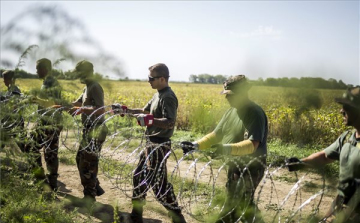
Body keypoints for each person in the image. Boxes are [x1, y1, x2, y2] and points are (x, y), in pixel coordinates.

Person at [181, 75, 267, 223]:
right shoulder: (231, 112)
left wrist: (226, 149)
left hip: (251, 166)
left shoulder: (255, 113)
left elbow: (252, 144)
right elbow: (216, 135)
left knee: (236, 204)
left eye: (230, 95)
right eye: (226, 95)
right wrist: (196, 145)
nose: (227, 98)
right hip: (234, 164)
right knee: (242, 204)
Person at [117, 63, 186, 223]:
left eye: (151, 78)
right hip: (151, 143)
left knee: (159, 185)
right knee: (138, 176)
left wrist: (150, 121)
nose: (149, 81)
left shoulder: (168, 96)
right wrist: (125, 111)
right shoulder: (158, 94)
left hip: (159, 145)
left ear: (162, 79)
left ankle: (178, 218)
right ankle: (136, 216)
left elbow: (170, 122)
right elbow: (144, 111)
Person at [287, 86, 360, 222]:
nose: (341, 111)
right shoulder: (347, 138)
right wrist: (301, 163)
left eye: (346, 107)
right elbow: (325, 156)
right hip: (341, 202)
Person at [69, 60, 108, 202]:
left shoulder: (95, 86)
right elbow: (78, 103)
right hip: (89, 130)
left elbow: (100, 109)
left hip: (96, 130)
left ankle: (89, 198)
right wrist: (63, 105)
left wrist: (81, 109)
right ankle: (94, 186)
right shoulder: (87, 87)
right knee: (80, 159)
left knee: (88, 164)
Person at [24, 58, 63, 190]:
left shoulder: (51, 82)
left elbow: (52, 103)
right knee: (30, 147)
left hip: (51, 122)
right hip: (43, 122)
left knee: (50, 153)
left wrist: (36, 99)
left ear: (44, 69)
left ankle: (51, 184)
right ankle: (41, 179)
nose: (36, 72)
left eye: (37, 69)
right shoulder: (46, 82)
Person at [0, 70, 25, 151]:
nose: (3, 81)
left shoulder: (14, 90)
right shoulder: (11, 89)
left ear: (10, 79)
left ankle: (34, 157)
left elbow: (13, 104)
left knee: (21, 142)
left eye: (5, 79)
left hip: (14, 120)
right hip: (10, 119)